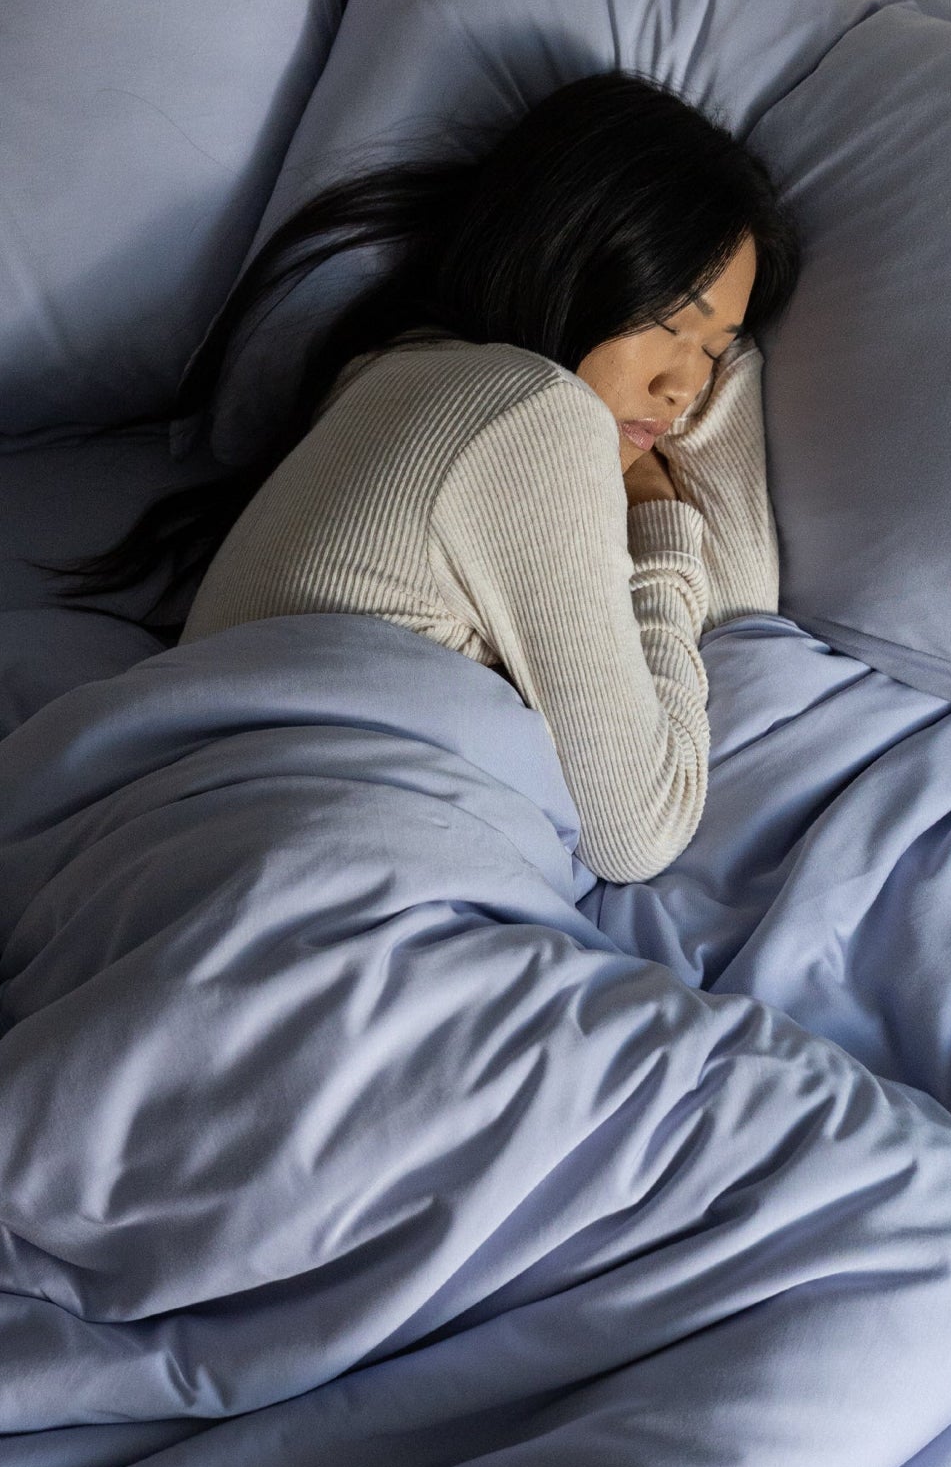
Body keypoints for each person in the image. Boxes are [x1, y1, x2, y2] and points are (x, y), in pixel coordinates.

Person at [58, 71, 801, 883]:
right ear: (569, 256)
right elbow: (640, 831)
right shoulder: (528, 416)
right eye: (669, 322)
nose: (683, 387)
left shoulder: (389, 371)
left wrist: (726, 364)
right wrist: (660, 508)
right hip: (307, 865)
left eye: (715, 350)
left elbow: (736, 622)